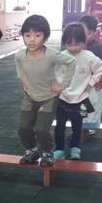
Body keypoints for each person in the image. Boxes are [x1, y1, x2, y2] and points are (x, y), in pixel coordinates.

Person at [15, 14, 76, 167]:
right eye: (27, 35)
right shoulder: (20, 55)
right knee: (23, 128)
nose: (32, 40)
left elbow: (72, 62)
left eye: (37, 35)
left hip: (49, 98)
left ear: (46, 37)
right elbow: (19, 68)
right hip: (30, 97)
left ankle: (48, 152)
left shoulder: (51, 54)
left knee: (41, 129)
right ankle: (31, 150)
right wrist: (21, 77)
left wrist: (63, 84)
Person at [54, 23, 102, 161]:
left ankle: (75, 148)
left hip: (81, 99)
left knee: (77, 126)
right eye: (69, 44)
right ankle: (59, 149)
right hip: (63, 97)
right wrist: (58, 86)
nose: (72, 48)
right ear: (64, 43)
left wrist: (90, 84)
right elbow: (54, 72)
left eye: (76, 44)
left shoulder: (88, 56)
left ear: (83, 42)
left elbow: (101, 68)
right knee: (59, 125)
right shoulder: (61, 56)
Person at [79, 15, 102, 133]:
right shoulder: (77, 45)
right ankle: (81, 125)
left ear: (94, 33)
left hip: (94, 82)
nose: (85, 37)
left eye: (88, 34)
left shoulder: (98, 47)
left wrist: (100, 79)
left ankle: (91, 127)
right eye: (82, 33)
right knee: (81, 104)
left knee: (93, 103)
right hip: (80, 82)